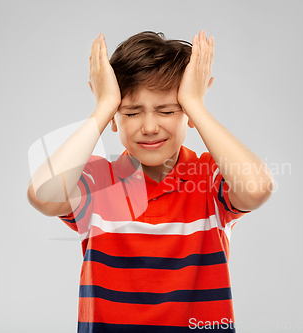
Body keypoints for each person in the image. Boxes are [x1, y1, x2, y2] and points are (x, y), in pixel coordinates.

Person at [27, 30, 274, 332]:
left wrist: (196, 105)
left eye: (168, 110)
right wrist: (104, 106)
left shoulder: (209, 179)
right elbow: (43, 196)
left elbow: (258, 188)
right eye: (131, 111)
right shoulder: (96, 180)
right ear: (115, 118)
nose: (149, 127)